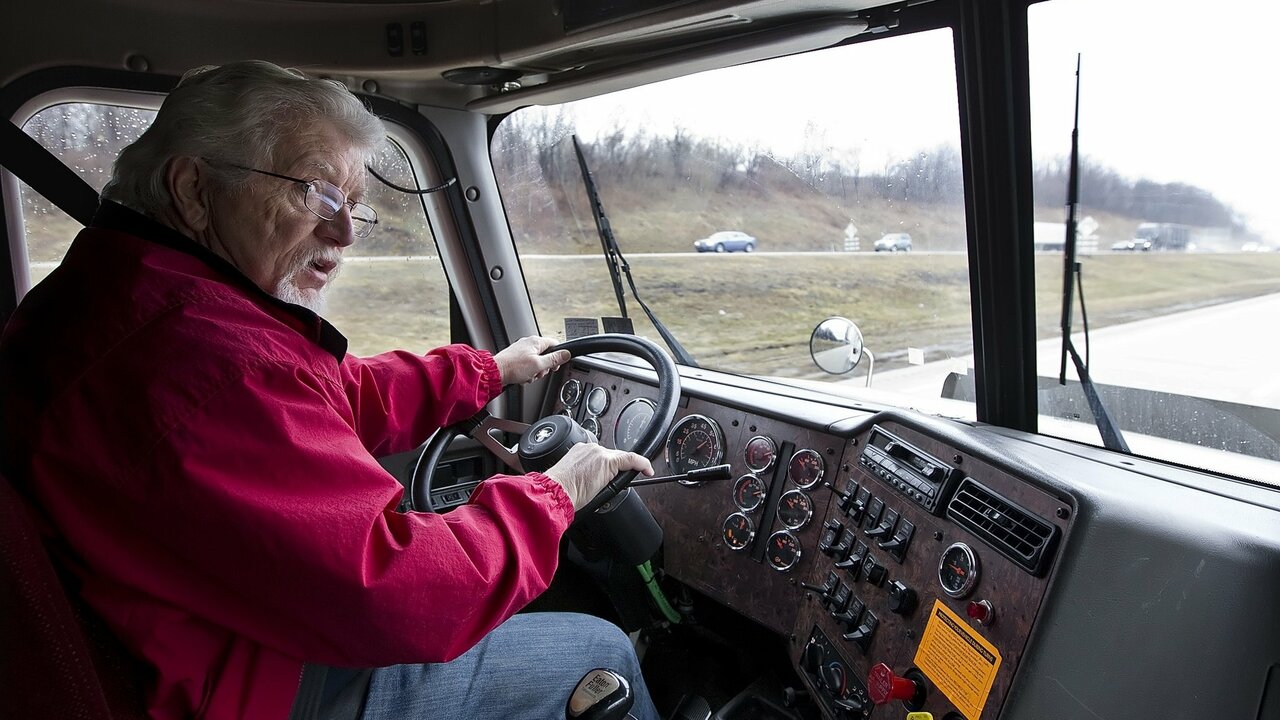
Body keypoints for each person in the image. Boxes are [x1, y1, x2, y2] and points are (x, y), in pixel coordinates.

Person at [0, 60, 662, 720]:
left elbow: (325, 396)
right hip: (244, 689)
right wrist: (557, 493)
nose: (344, 232)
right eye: (316, 192)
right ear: (194, 191)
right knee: (596, 652)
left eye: (353, 206)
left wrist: (487, 372)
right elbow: (399, 594)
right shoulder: (201, 362)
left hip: (201, 640)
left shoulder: (130, 299)